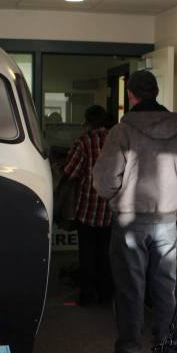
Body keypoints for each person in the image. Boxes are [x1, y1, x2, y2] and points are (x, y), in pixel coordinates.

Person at [93, 69, 177, 353]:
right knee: (164, 290)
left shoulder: (121, 132)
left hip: (130, 222)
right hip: (167, 222)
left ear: (131, 95)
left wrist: (122, 195)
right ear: (156, 93)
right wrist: (173, 193)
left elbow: (103, 183)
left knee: (130, 291)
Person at [63, 105, 114, 306]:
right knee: (105, 254)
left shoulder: (84, 141)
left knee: (87, 255)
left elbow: (71, 171)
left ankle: (87, 296)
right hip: (111, 209)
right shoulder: (118, 139)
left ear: (89, 122)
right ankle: (106, 295)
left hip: (88, 208)